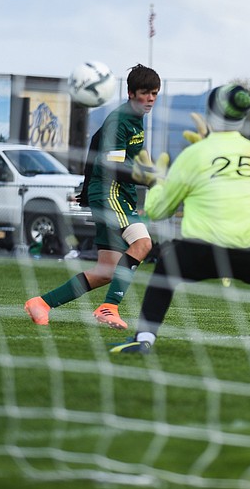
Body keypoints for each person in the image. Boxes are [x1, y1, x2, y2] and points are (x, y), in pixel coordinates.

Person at [109, 84, 250, 359]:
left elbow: (158, 211)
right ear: (243, 116)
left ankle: (144, 338)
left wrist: (156, 180)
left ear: (209, 113)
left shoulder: (195, 155)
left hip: (204, 246)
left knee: (166, 269)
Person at [25, 63, 161, 329]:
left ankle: (41, 303)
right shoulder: (120, 119)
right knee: (143, 244)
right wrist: (150, 176)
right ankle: (108, 308)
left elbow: (94, 143)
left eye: (155, 93)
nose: (151, 98)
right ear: (131, 92)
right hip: (111, 192)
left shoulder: (135, 117)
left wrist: (86, 190)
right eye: (145, 92)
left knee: (107, 272)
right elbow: (114, 168)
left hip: (114, 192)